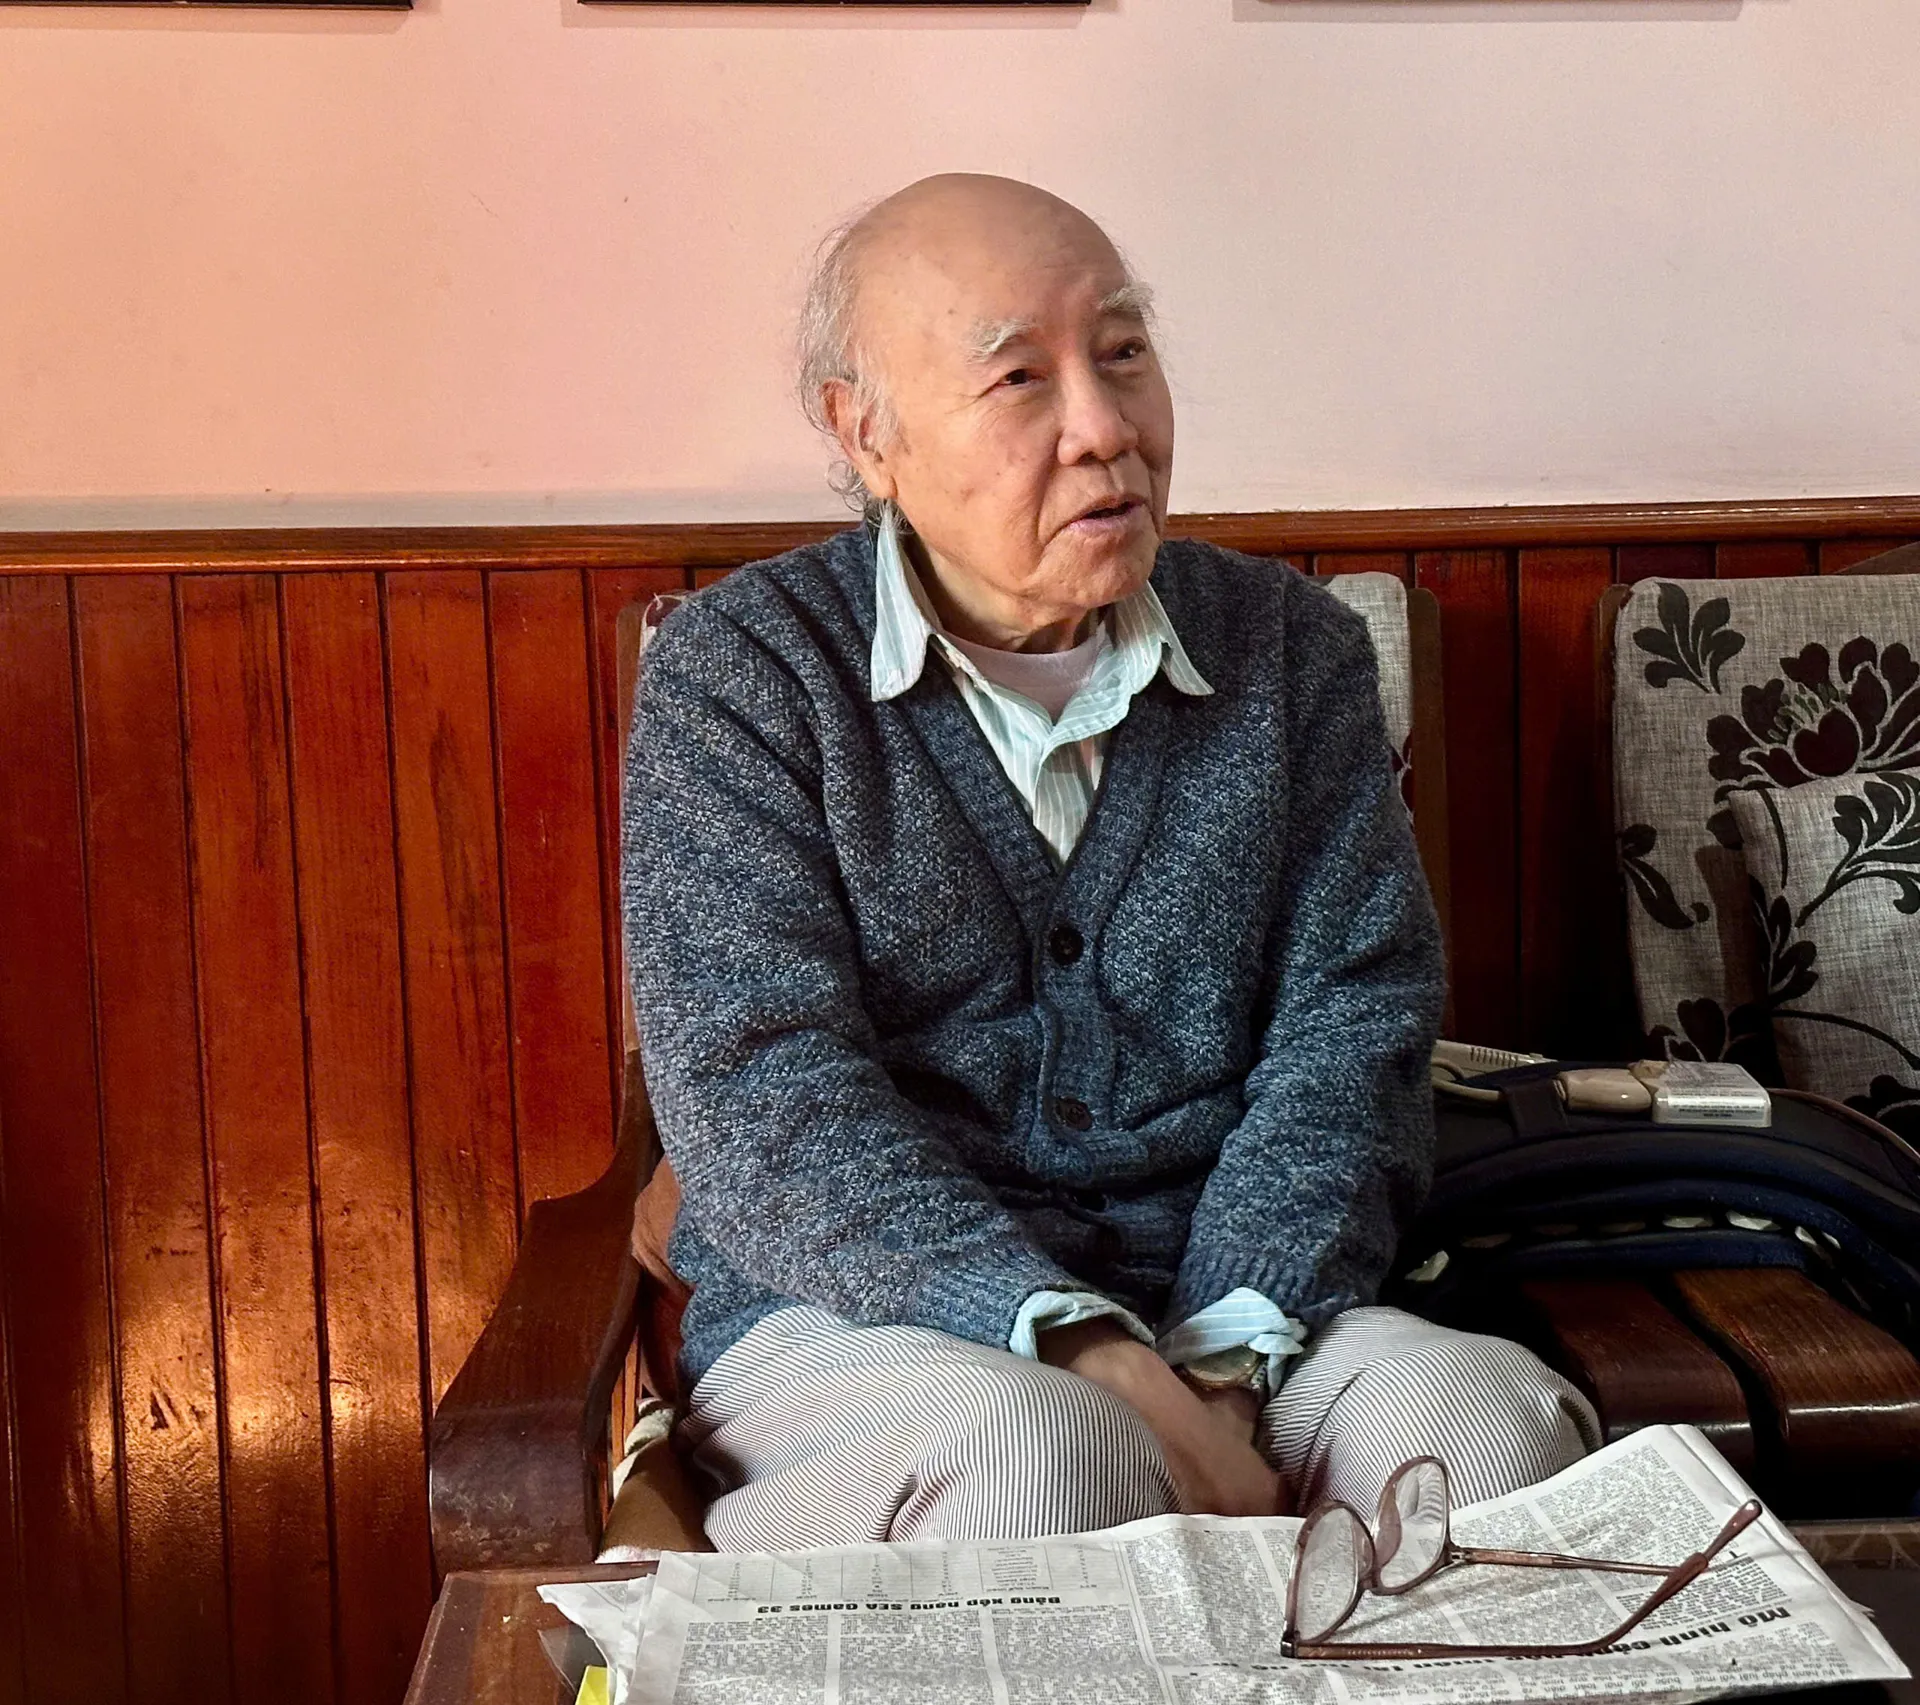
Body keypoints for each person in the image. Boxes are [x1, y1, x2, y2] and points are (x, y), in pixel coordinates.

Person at [622, 173, 1598, 1551]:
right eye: (1020, 377)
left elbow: (1353, 1035)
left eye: (1125, 353)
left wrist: (1223, 1369)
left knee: (1484, 1433)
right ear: (866, 433)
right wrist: (1101, 1361)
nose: (1105, 428)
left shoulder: (1289, 651)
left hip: (1252, 1305)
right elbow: (761, 1095)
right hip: (865, 1324)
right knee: (1047, 1461)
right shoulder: (746, 675)